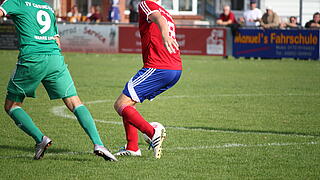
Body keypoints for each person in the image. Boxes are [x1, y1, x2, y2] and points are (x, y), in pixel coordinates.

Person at [0, 0, 117, 161]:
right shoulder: (47, 6)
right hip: (55, 58)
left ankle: (40, 138)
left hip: (32, 58)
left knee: (11, 106)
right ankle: (99, 144)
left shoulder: (15, 2)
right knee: (75, 103)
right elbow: (57, 40)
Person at [113, 0, 182, 158]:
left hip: (159, 67)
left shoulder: (146, 4)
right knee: (129, 103)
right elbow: (161, 19)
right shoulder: (166, 12)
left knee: (120, 104)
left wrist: (164, 33)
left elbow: (158, 19)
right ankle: (132, 147)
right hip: (174, 69)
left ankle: (152, 133)